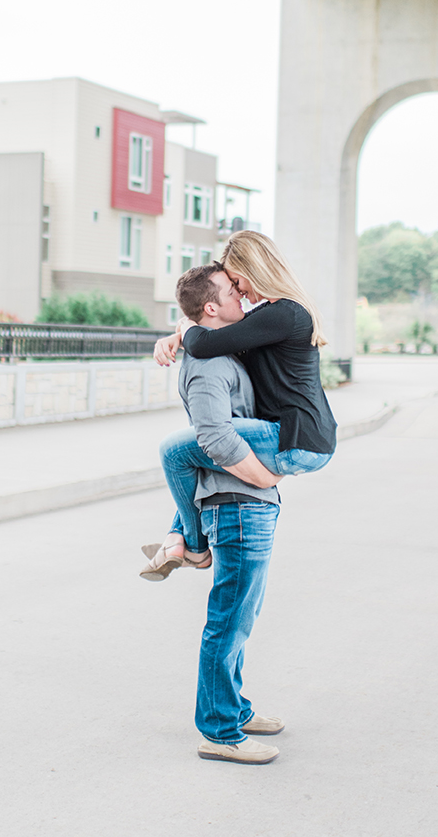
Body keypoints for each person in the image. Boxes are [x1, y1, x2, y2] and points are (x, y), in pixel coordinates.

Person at [142, 263, 284, 765]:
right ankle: (220, 732)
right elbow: (213, 437)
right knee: (227, 622)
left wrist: (178, 332)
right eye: (231, 290)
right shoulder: (207, 365)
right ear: (210, 306)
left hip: (247, 504)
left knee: (240, 620)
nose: (241, 296)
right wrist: (265, 477)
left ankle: (234, 709)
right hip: (235, 505)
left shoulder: (219, 348)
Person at [146, 231, 337, 566]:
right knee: (195, 450)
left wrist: (184, 328)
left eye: (238, 282)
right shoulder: (271, 317)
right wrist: (178, 334)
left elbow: (204, 343)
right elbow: (218, 333)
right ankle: (177, 540)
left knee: (175, 452)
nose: (241, 293)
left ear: (254, 269)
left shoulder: (284, 314)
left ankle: (193, 546)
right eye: (232, 287)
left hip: (296, 437)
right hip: (303, 435)